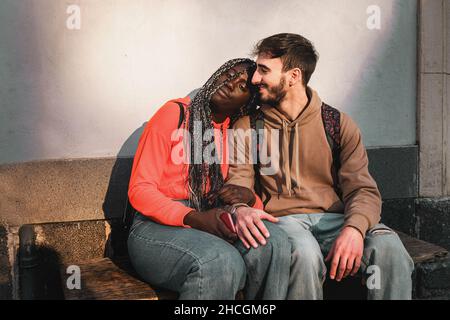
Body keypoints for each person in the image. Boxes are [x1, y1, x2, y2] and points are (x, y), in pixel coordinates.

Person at [226, 34, 415, 300]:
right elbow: (238, 184)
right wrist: (241, 209)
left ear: (293, 76)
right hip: (283, 223)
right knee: (301, 253)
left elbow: (362, 189)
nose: (254, 78)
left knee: (389, 249)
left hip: (335, 220)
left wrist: (354, 228)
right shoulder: (248, 126)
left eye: (264, 70)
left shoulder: (337, 124)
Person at [127, 58, 291, 300]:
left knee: (273, 242)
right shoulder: (175, 114)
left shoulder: (236, 132)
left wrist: (249, 198)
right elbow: (139, 189)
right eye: (229, 73)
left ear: (248, 102)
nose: (230, 82)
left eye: (243, 85)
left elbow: (241, 194)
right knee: (220, 261)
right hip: (155, 226)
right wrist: (193, 218)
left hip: (213, 217)